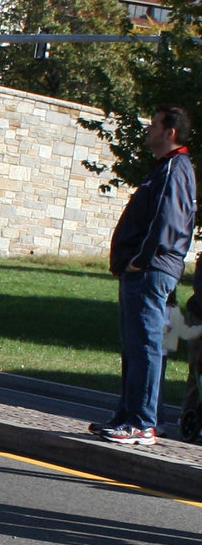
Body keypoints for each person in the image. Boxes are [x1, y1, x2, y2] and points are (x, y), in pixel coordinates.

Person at [94, 105, 194, 446]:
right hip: (145, 270)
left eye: (153, 125)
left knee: (146, 345)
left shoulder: (174, 170)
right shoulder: (165, 168)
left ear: (171, 132)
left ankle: (142, 423)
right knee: (136, 345)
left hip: (151, 272)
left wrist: (141, 259)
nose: (147, 130)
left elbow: (166, 221)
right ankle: (129, 414)